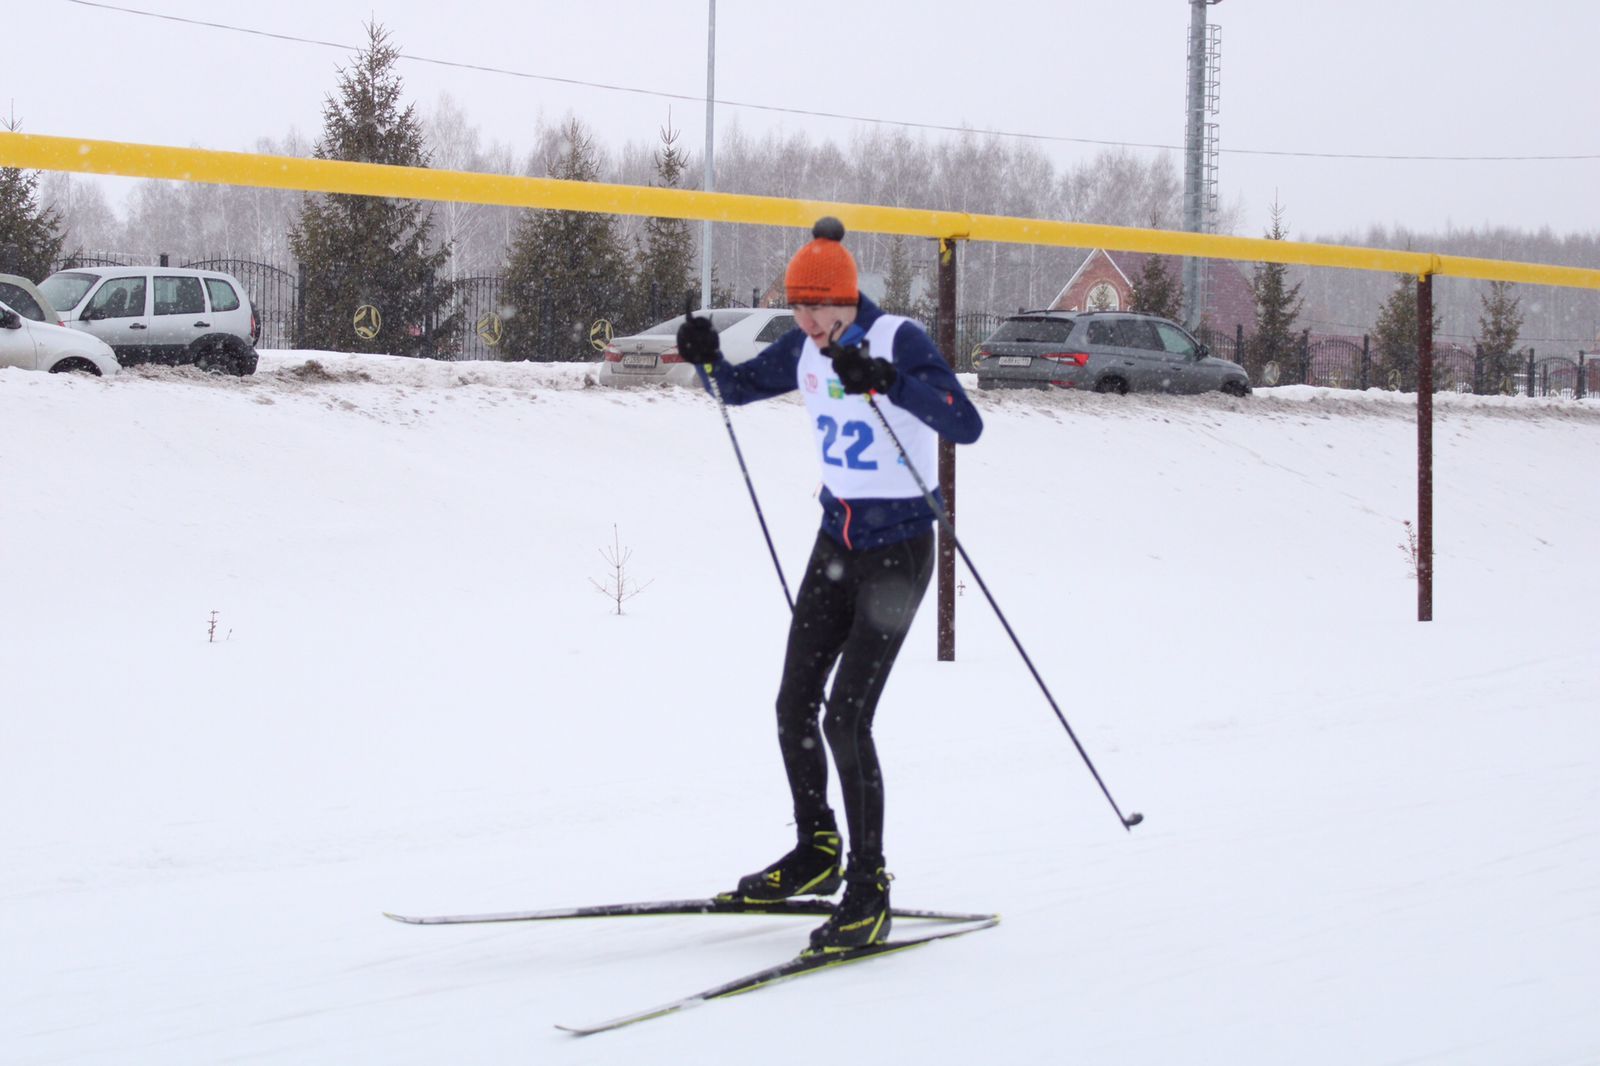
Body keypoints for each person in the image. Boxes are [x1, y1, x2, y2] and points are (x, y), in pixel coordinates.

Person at [677, 218, 983, 954]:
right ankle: (818, 851)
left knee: (847, 717)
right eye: (798, 311)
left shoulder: (897, 340)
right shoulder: (806, 348)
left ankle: (868, 888)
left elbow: (964, 424)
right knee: (794, 705)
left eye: (819, 311)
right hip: (836, 540)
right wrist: (707, 360)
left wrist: (893, 384)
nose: (808, 325)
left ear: (849, 301)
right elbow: (741, 389)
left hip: (899, 550)